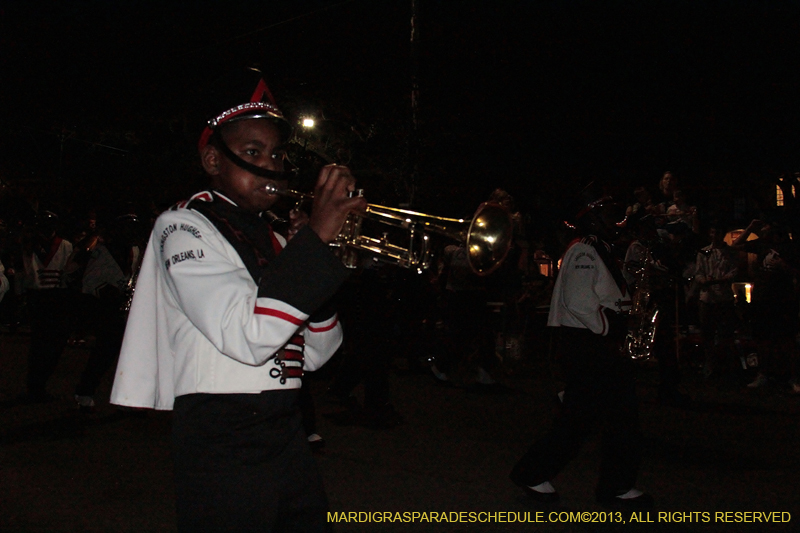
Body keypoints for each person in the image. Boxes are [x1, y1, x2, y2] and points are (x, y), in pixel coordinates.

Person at [109, 68, 366, 532]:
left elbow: (319, 356)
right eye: (253, 152)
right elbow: (247, 337)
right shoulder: (183, 225)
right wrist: (313, 247)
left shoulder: (279, 241)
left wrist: (316, 254)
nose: (271, 167)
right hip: (220, 431)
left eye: (276, 155)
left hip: (284, 428)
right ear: (212, 160)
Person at [510, 183, 653, 508]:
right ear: (590, 217)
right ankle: (607, 486)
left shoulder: (597, 249)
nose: (614, 220)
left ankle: (541, 475)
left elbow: (600, 297)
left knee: (589, 422)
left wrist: (630, 308)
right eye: (606, 213)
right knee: (605, 420)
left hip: (593, 346)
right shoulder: (584, 251)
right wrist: (615, 325)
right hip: (590, 347)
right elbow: (579, 302)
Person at [20, 211, 73, 402]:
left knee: (54, 344)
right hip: (39, 297)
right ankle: (36, 386)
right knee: (41, 344)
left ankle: (38, 384)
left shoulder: (64, 245)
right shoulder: (30, 245)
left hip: (57, 297)